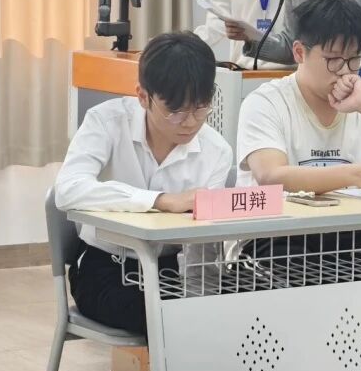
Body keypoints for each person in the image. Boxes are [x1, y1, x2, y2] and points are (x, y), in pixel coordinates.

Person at [54, 32, 233, 335]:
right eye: (175, 111)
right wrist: (159, 200)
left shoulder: (216, 151)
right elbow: (67, 189)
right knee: (164, 318)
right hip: (106, 267)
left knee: (234, 309)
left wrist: (200, 296)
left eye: (201, 107)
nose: (190, 121)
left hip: (171, 268)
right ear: (143, 96)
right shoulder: (106, 122)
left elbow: (201, 247)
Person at [236, 0, 361, 193]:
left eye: (354, 59)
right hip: (283, 214)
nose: (345, 70)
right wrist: (356, 175)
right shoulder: (265, 103)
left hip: (353, 215)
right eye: (333, 59)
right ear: (299, 52)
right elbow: (271, 176)